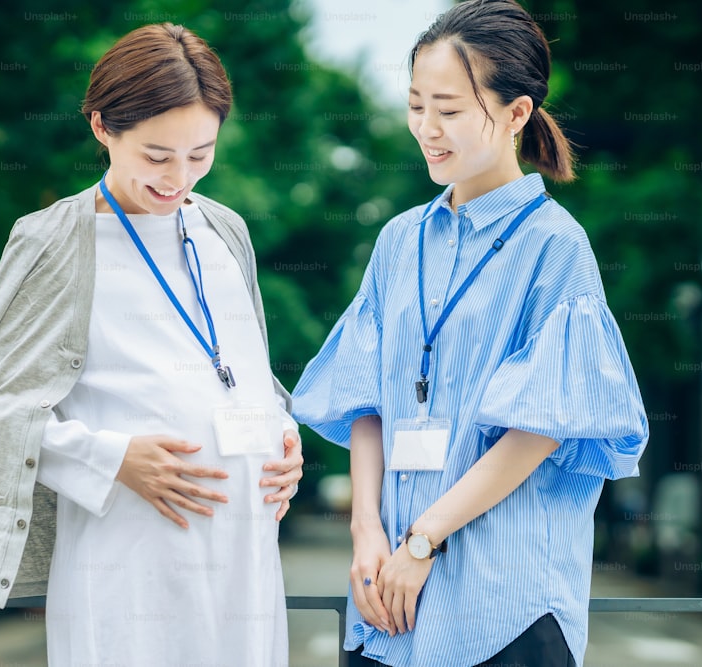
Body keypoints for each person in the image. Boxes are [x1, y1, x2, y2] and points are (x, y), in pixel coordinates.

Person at [0, 23, 302, 667]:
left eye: (200, 154)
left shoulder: (224, 231)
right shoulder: (53, 241)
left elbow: (242, 371)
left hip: (246, 557)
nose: (179, 178)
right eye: (157, 155)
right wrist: (113, 459)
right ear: (103, 128)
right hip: (126, 554)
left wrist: (281, 431)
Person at [292, 1, 649, 665]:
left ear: (517, 114)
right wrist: (367, 531)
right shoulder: (399, 240)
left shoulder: (555, 248)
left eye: (450, 110)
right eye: (416, 104)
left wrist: (424, 540)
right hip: (386, 604)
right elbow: (364, 395)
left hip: (502, 606)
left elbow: (540, 429)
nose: (426, 128)